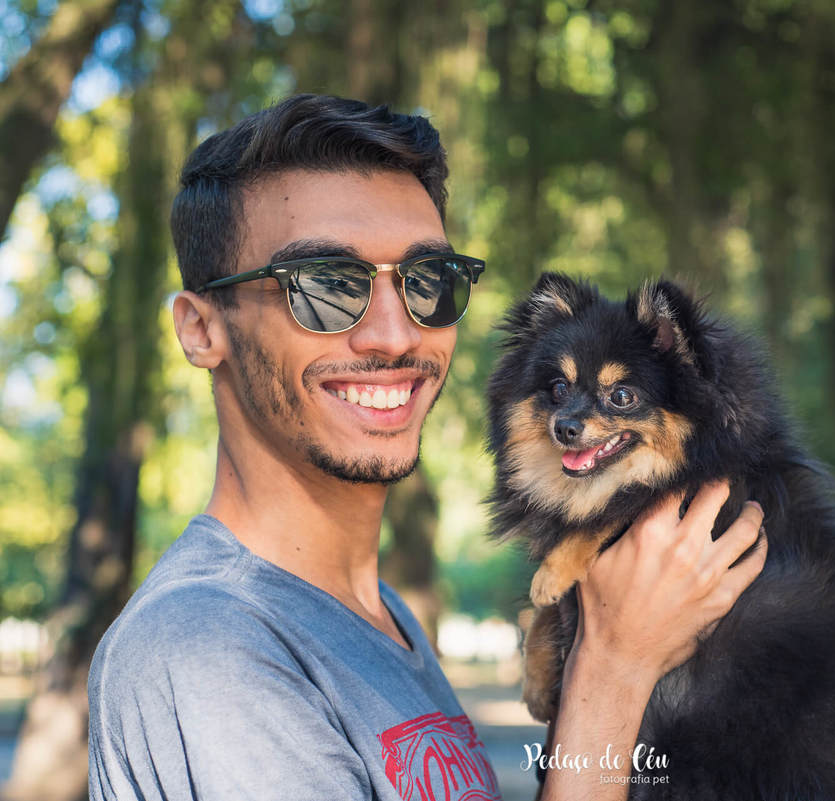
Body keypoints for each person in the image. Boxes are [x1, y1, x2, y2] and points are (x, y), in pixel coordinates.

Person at [86, 93, 767, 801]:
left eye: (427, 282)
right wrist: (615, 665)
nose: (395, 334)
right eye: (325, 286)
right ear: (201, 330)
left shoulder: (382, 616)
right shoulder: (207, 645)